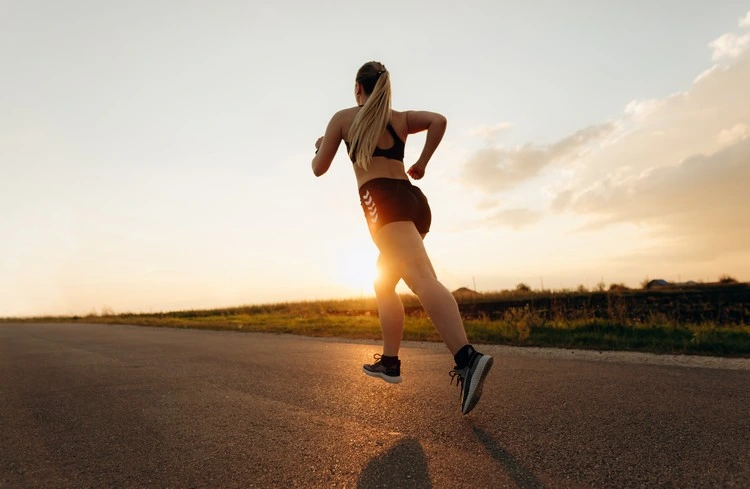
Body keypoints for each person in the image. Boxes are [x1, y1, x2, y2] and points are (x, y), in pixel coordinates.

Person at [311, 61, 493, 415]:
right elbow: (439, 120)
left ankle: (467, 357)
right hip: (413, 202)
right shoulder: (399, 118)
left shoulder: (344, 118)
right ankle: (391, 361)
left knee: (422, 280)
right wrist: (423, 162)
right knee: (383, 284)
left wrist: (321, 145)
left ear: (357, 89)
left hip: (383, 204)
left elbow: (319, 168)